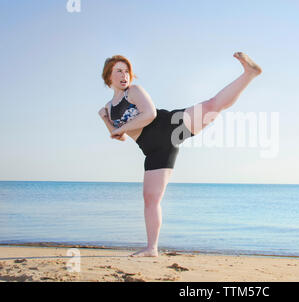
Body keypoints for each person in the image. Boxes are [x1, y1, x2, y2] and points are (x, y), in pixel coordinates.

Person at [98, 52, 262, 257]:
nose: (124, 75)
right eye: (118, 71)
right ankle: (152, 248)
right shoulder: (108, 109)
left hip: (168, 127)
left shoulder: (133, 91)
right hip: (153, 150)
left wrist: (116, 129)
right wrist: (106, 120)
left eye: (127, 71)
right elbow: (119, 135)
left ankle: (249, 74)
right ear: (108, 77)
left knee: (212, 106)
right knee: (150, 198)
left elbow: (150, 114)